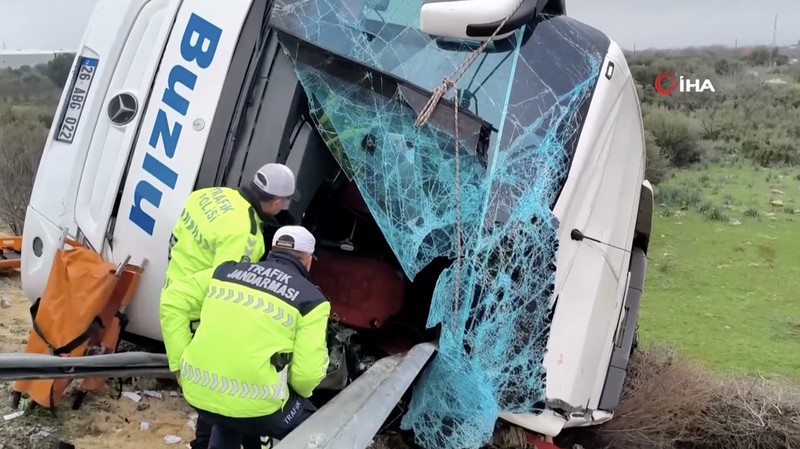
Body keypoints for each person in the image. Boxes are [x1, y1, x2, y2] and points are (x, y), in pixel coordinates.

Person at [160, 163, 297, 449]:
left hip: (176, 287)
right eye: (283, 203)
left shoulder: (210, 195)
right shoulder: (246, 236)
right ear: (273, 202)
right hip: (195, 312)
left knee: (213, 396)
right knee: (217, 390)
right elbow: (228, 288)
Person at [160, 226, 330, 449]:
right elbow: (306, 377)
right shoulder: (312, 301)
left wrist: (178, 363)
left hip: (198, 390)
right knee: (325, 430)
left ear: (272, 250)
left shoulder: (224, 272)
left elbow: (172, 298)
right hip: (258, 405)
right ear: (308, 260)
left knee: (232, 415)